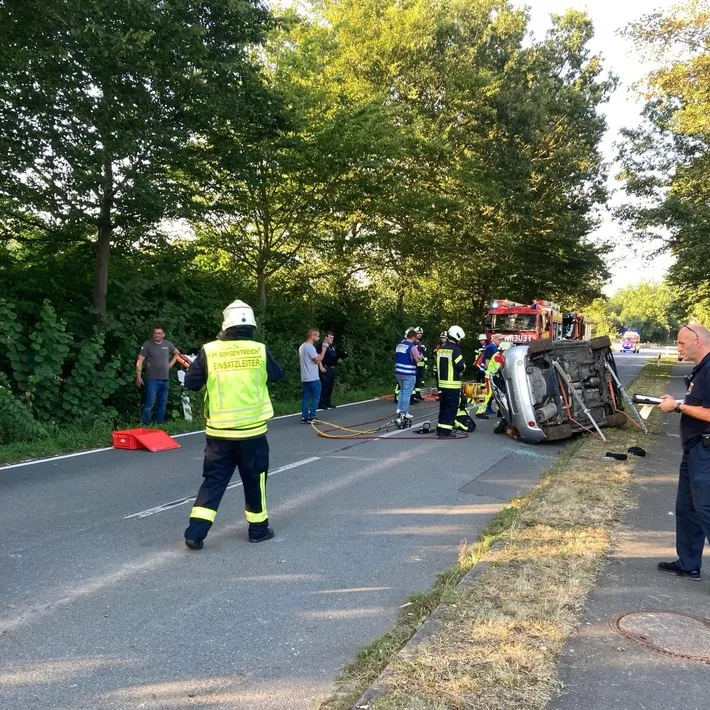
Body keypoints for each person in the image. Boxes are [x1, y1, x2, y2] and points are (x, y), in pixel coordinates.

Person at [182, 300, 284, 549]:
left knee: (213, 481)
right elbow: (278, 375)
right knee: (254, 481)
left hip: (218, 434)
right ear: (251, 325)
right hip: (252, 433)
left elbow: (191, 383)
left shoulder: (210, 351)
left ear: (225, 324)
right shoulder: (259, 350)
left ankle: (195, 534)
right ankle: (258, 530)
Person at [656, 324, 710, 580]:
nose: (678, 348)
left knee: (706, 509)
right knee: (686, 509)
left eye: (681, 343)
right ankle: (689, 563)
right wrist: (677, 403)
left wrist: (678, 407)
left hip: (706, 452)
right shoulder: (701, 369)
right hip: (694, 449)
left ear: (697, 341)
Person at [136, 326, 180, 426]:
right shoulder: (147, 345)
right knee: (150, 403)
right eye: (155, 333)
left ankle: (160, 424)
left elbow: (177, 353)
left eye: (159, 333)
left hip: (165, 379)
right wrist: (138, 376)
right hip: (152, 379)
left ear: (163, 335)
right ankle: (146, 425)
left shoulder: (167, 344)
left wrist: (171, 364)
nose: (157, 335)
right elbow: (140, 360)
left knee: (162, 403)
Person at [436, 326, 466, 438]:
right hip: (452, 385)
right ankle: (445, 432)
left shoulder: (441, 349)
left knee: (443, 407)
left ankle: (440, 429)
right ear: (457, 336)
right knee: (451, 408)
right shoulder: (455, 349)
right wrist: (464, 367)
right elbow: (460, 366)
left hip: (442, 384)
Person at [394, 329, 422, 426]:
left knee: (402, 391)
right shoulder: (413, 347)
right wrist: (421, 356)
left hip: (398, 372)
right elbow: (417, 360)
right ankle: (404, 412)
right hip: (408, 373)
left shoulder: (399, 345)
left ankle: (399, 409)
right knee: (407, 393)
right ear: (413, 337)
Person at [299, 328, 325, 423]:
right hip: (313, 377)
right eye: (317, 336)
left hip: (305, 376)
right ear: (312, 336)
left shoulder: (302, 346)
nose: (318, 338)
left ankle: (304, 416)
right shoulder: (310, 347)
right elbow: (317, 360)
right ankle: (312, 416)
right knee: (316, 395)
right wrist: (324, 350)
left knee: (306, 397)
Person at [476, 334, 505, 419]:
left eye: (502, 340)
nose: (501, 341)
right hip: (490, 375)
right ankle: (480, 411)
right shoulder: (490, 347)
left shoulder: (494, 348)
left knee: (496, 393)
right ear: (494, 339)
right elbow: (487, 360)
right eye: (499, 340)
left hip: (493, 375)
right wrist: (490, 370)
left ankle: (500, 411)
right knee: (488, 393)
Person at [317, 331, 344, 410]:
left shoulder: (332, 346)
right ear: (326, 337)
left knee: (330, 386)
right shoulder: (321, 346)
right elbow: (318, 357)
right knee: (324, 386)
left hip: (332, 367)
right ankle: (321, 403)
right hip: (325, 367)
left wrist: (338, 359)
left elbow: (334, 356)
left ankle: (328, 402)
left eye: (332, 338)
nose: (332, 339)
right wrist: (321, 367)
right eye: (330, 338)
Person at [412, 326, 426, 402]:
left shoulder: (422, 343)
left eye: (421, 333)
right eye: (418, 333)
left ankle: (418, 394)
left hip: (422, 364)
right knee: (414, 379)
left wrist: (425, 364)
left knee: (419, 380)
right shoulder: (413, 342)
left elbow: (425, 353)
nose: (419, 335)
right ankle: (413, 395)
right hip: (415, 364)